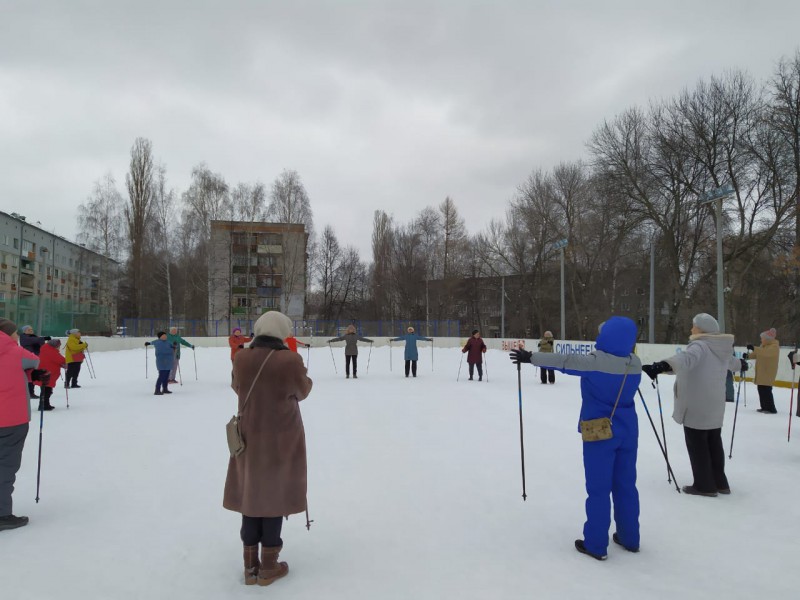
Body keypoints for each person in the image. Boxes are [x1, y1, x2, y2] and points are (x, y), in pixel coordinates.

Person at [510, 316, 642, 561]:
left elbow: (565, 360)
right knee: (626, 485)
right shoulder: (634, 362)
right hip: (628, 431)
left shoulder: (595, 361)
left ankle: (595, 543)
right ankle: (630, 538)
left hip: (599, 431)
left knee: (599, 488)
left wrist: (531, 358)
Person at [223, 310, 313, 586]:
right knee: (273, 495)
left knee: (251, 494)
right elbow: (303, 390)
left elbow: (237, 387)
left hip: (249, 436)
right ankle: (269, 567)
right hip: (281, 437)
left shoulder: (242, 357)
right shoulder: (289, 359)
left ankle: (250, 566)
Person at [642, 313, 745, 497]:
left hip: (697, 405)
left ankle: (705, 486)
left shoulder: (700, 345)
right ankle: (720, 482)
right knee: (714, 442)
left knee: (698, 445)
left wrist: (662, 365)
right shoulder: (721, 348)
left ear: (702, 329)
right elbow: (734, 363)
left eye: (694, 326)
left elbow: (685, 359)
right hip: (714, 405)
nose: (691, 329)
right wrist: (744, 365)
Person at [0, 318, 45, 531]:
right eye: (15, 333)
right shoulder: (15, 352)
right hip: (10, 420)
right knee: (5, 466)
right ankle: (2, 515)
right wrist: (31, 373)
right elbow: (35, 362)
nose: (18, 336)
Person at [744, 328, 779, 414]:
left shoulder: (774, 346)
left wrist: (754, 348)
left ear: (767, 339)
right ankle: (764, 407)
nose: (761, 340)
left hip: (768, 372)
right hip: (762, 371)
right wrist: (747, 356)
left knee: (766, 390)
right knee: (761, 389)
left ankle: (771, 408)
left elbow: (765, 353)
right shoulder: (763, 346)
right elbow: (757, 354)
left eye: (762, 338)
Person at [19, 325, 51, 399]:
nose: (31, 330)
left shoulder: (33, 337)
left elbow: (40, 343)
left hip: (34, 359)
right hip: (28, 359)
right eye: (29, 330)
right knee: (30, 376)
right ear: (24, 331)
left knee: (32, 376)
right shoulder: (24, 337)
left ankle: (31, 392)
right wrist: (44, 338)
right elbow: (34, 340)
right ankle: (30, 393)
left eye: (31, 329)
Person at [35, 339, 66, 411]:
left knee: (45, 390)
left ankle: (45, 404)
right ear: (55, 346)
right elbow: (61, 360)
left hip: (45, 373)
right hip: (47, 374)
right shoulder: (51, 351)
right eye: (58, 346)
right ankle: (43, 406)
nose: (59, 347)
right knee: (46, 391)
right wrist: (64, 364)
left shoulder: (46, 349)